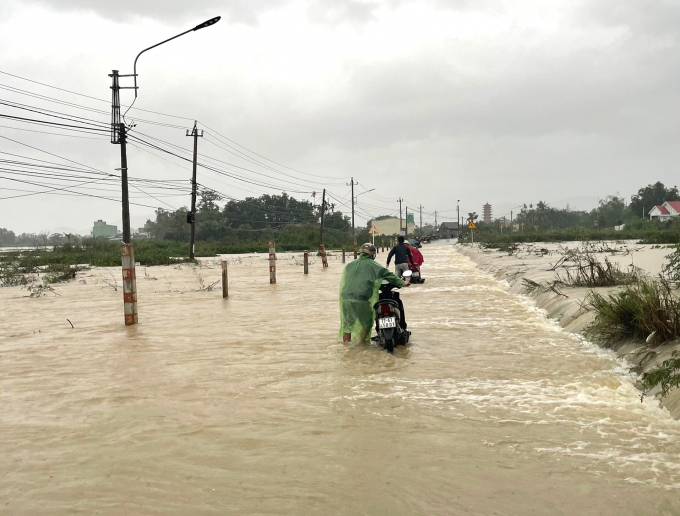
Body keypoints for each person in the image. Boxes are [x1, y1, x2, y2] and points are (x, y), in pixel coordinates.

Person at [339, 243, 408, 342]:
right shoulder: (374, 265)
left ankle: (348, 349)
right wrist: (403, 282)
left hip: (346, 299)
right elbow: (389, 275)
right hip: (361, 299)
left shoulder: (349, 265)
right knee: (366, 323)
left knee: (347, 326)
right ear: (372, 254)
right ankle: (360, 345)